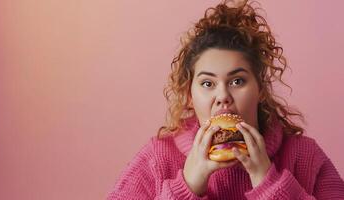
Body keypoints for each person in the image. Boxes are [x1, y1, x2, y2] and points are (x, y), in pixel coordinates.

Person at [107, 0, 344, 199]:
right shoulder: (158, 158)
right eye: (208, 84)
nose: (223, 97)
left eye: (237, 81)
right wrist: (187, 185)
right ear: (190, 96)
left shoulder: (304, 155)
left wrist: (269, 182)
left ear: (260, 89)